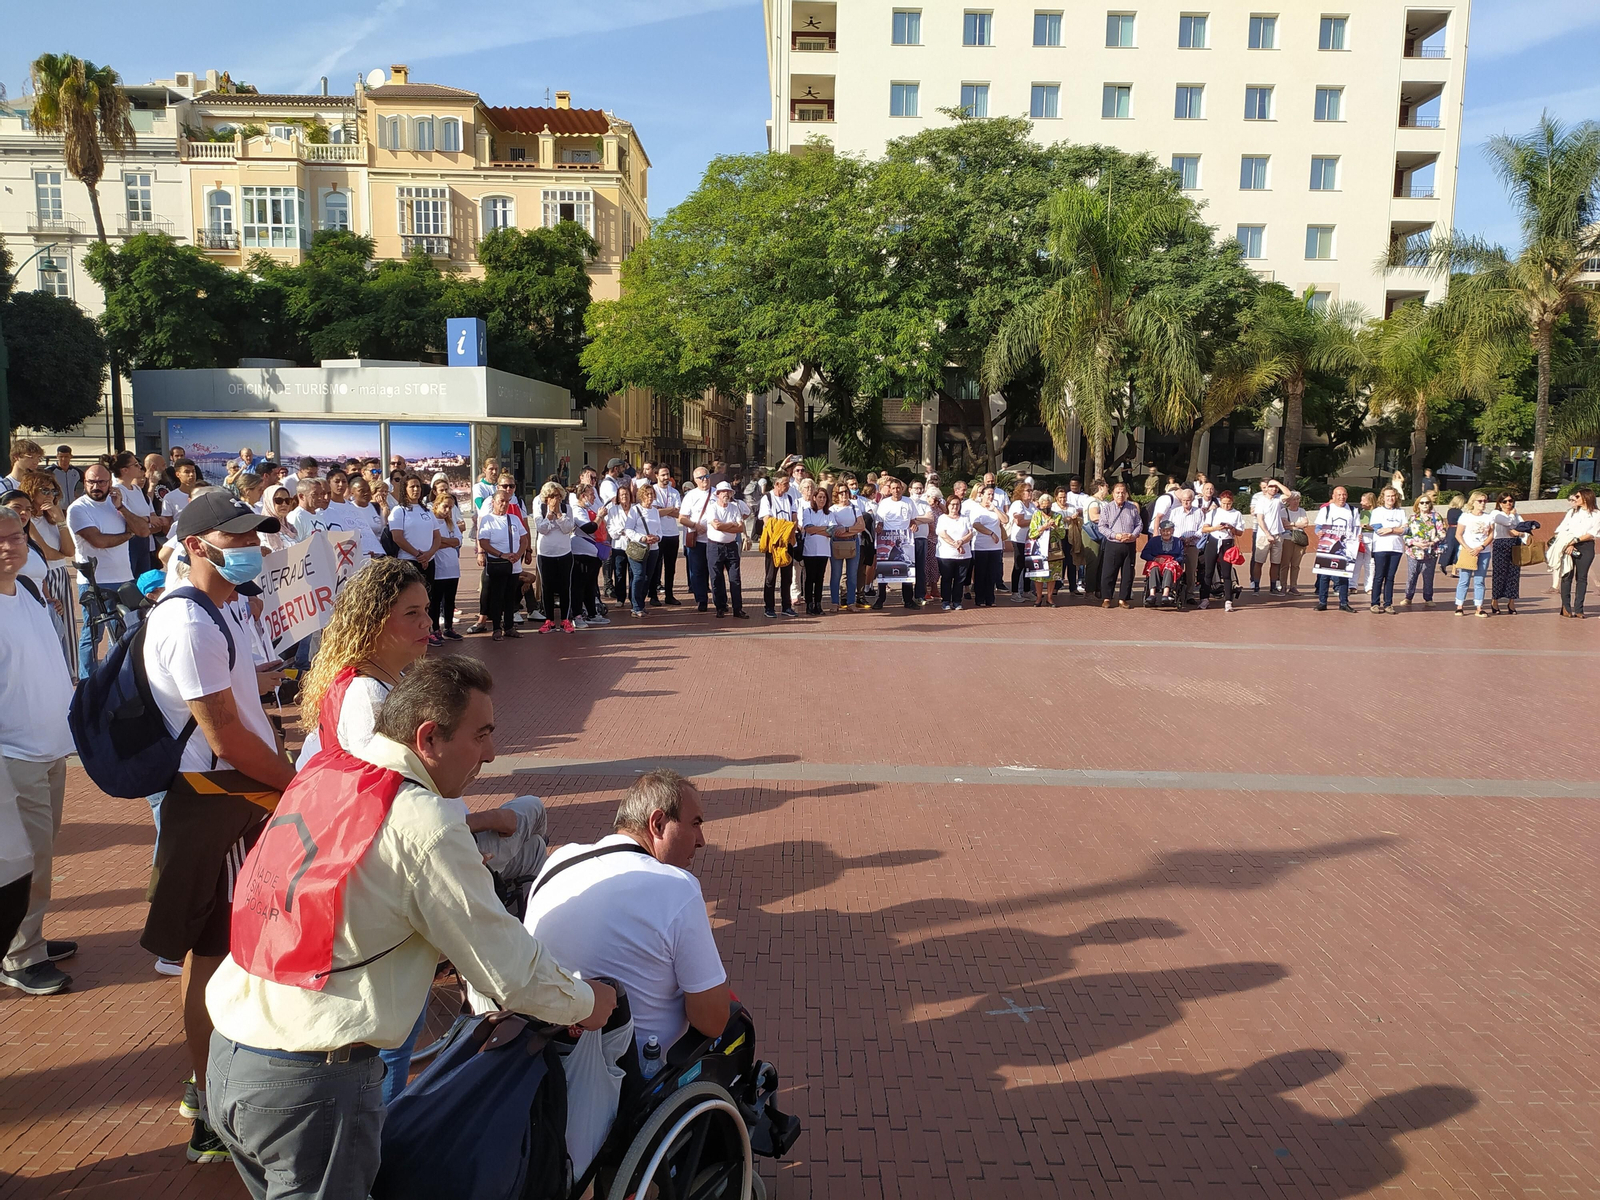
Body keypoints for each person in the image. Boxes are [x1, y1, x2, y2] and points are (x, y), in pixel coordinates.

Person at [207, 656, 614, 1197]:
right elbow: (512, 972)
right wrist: (588, 1002)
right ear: (428, 738)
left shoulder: (326, 774)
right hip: (314, 1087)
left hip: (232, 1056)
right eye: (482, 734)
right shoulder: (424, 821)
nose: (492, 753)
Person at [138, 491, 294, 1163]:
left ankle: (205, 1092)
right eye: (237, 539)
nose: (251, 548)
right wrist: (297, 784)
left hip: (228, 798)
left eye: (253, 536)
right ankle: (209, 1104)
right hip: (219, 801)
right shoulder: (189, 621)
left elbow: (226, 707)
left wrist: (260, 679)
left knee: (213, 954)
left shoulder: (213, 612)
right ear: (197, 545)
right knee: (217, 959)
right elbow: (224, 736)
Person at [524, 768, 728, 1062]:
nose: (701, 840)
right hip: (629, 1078)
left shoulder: (559, 861)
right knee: (735, 1022)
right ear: (657, 823)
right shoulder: (677, 888)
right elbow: (712, 1020)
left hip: (544, 1061)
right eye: (695, 824)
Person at [0, 506, 78, 998]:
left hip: (50, 749)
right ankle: (19, 957)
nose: (12, 546)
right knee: (27, 860)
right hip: (14, 754)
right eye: (0, 540)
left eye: (17, 536)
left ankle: (31, 938)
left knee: (43, 855)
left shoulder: (26, 591)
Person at [67, 462, 143, 679]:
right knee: (93, 633)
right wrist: (128, 536)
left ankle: (116, 676)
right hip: (94, 581)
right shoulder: (78, 509)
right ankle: (87, 680)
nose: (96, 486)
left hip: (124, 578)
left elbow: (143, 530)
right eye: (91, 481)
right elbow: (98, 541)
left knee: (123, 630)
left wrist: (121, 508)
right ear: (84, 482)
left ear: (110, 483)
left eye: (101, 481)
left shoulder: (116, 504)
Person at [15, 471, 78, 666]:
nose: (50, 496)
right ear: (32, 491)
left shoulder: (53, 518)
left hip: (60, 574)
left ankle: (70, 672)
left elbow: (69, 549)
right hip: (42, 576)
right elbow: (44, 553)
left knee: (66, 627)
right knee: (49, 627)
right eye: (44, 491)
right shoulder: (28, 522)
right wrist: (59, 554)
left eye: (53, 491)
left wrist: (60, 519)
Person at [477, 489, 528, 640]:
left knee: (510, 596)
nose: (504, 504)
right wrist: (501, 554)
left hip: (514, 565)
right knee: (497, 596)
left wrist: (518, 554)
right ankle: (496, 628)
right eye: (501, 501)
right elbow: (483, 542)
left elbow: (524, 539)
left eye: (507, 501)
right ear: (493, 503)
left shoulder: (514, 519)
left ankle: (509, 626)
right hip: (498, 564)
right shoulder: (488, 519)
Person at [873, 477, 921, 609]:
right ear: (890, 489)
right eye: (893, 488)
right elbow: (880, 522)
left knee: (907, 570)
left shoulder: (908, 502)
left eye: (898, 488)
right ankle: (880, 600)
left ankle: (908, 600)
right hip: (887, 538)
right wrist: (878, 529)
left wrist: (913, 525)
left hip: (905, 539)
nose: (896, 490)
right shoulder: (884, 503)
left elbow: (913, 520)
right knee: (884, 569)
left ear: (902, 489)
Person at [704, 481, 749, 619]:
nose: (725, 494)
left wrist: (727, 526)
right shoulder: (712, 508)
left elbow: (740, 528)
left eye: (727, 491)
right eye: (722, 492)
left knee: (735, 578)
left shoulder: (734, 507)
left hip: (731, 546)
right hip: (714, 546)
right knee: (716, 578)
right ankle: (720, 607)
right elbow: (716, 526)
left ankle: (737, 608)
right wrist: (731, 525)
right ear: (717, 494)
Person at [757, 473, 800, 618]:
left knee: (787, 576)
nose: (788, 486)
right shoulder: (767, 499)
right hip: (773, 543)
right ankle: (769, 607)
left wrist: (790, 528)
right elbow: (767, 521)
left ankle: (786, 606)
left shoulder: (789, 498)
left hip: (787, 542)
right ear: (777, 484)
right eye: (785, 483)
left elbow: (794, 519)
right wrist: (785, 527)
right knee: (771, 577)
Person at [427, 478, 465, 641]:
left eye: (450, 507)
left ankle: (449, 627)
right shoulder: (432, 521)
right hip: (439, 568)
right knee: (436, 601)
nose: (448, 510)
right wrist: (444, 542)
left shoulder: (450, 523)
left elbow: (459, 540)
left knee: (450, 600)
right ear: (436, 505)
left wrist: (443, 541)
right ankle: (435, 628)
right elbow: (433, 542)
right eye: (445, 506)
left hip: (452, 567)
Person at [567, 480, 608, 627]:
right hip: (581, 552)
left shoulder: (587, 509)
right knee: (579, 585)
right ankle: (577, 615)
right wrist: (600, 516)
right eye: (591, 495)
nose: (594, 498)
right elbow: (589, 528)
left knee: (591, 584)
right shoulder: (577, 510)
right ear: (583, 496)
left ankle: (592, 613)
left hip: (593, 553)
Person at [1313, 487, 1361, 612]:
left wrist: (1358, 536)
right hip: (1328, 546)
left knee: (1344, 576)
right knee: (1324, 576)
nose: (1342, 497)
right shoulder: (1326, 509)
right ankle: (1322, 602)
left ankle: (1344, 603)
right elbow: (1318, 527)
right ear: (1333, 496)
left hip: (1346, 547)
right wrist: (1319, 532)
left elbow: (1356, 528)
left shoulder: (1353, 510)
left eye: (1344, 494)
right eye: (1339, 495)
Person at [1554, 486, 1598, 618]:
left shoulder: (1596, 514)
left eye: (1577, 497)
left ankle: (1579, 609)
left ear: (1586, 498)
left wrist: (1575, 541)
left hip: (1585, 545)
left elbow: (1592, 533)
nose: (1575, 499)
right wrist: (1568, 542)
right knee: (1567, 575)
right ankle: (1566, 607)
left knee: (1582, 577)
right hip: (1568, 545)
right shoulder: (1572, 512)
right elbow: (1561, 529)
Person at [1096, 482, 1142, 609]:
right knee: (1109, 573)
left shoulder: (1132, 508)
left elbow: (1139, 524)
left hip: (1129, 545)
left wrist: (1133, 535)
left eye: (1123, 492)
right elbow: (1101, 526)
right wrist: (1114, 535)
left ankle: (1123, 598)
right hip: (1113, 544)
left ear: (1126, 494)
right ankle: (1106, 598)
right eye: (1118, 492)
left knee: (1128, 573)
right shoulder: (1107, 508)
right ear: (1113, 494)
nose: (1120, 495)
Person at [621, 481, 662, 620]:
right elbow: (628, 529)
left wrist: (657, 537)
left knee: (647, 577)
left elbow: (659, 530)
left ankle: (641, 604)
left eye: (652, 494)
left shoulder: (655, 511)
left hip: (653, 549)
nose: (650, 497)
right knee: (638, 575)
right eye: (648, 494)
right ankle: (636, 607)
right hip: (638, 548)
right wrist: (642, 538)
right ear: (642, 496)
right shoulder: (635, 510)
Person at [1200, 490, 1245, 612]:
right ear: (1220, 502)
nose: (1226, 506)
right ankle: (1204, 598)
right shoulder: (1214, 512)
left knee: (1226, 573)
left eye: (1229, 503)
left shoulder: (1236, 514)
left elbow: (1240, 532)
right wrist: (1216, 528)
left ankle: (1228, 600)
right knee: (1208, 571)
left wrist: (1231, 528)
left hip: (1227, 543)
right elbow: (1204, 529)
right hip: (1213, 541)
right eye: (1224, 503)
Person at [678, 466, 714, 612]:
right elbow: (682, 518)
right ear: (695, 480)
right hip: (697, 540)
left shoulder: (717, 493)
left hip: (714, 540)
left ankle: (719, 599)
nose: (705, 480)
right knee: (697, 570)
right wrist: (695, 526)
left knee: (713, 570)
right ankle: (701, 599)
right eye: (701, 478)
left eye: (706, 476)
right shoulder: (691, 496)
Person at [1402, 493, 1447, 607]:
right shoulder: (1413, 518)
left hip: (1430, 552)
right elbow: (1406, 535)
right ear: (1418, 505)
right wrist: (1415, 543)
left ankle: (1428, 598)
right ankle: (1408, 597)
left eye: (1427, 502)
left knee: (1428, 575)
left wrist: (1432, 542)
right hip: (1414, 551)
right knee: (1412, 575)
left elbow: (1442, 533)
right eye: (1422, 503)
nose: (1425, 505)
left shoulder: (1436, 517)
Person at [1453, 491, 1495, 617]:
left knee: (1479, 580)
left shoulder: (1488, 517)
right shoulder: (1465, 516)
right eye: (1480, 501)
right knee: (1464, 579)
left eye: (1485, 501)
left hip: (1483, 552)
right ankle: (1459, 606)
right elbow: (1458, 534)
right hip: (1467, 551)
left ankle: (1479, 607)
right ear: (1473, 502)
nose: (1483, 503)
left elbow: (1491, 534)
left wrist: (1481, 547)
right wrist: (1467, 548)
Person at [1367, 487, 1408, 614]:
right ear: (1383, 497)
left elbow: (1406, 529)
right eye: (1388, 496)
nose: (1390, 498)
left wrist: (1390, 529)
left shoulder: (1401, 512)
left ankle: (1388, 603)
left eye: (1393, 496)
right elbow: (1379, 530)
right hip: (1381, 548)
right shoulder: (1377, 512)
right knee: (1379, 576)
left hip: (1396, 548)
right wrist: (1397, 529)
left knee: (1390, 577)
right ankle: (1375, 603)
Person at [1489, 491, 1528, 616]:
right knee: (1499, 573)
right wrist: (1511, 516)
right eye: (1504, 501)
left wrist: (1519, 533)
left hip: (1514, 544)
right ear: (1499, 503)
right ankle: (1495, 600)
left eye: (1510, 501)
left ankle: (1511, 602)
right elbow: (1507, 522)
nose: (1508, 503)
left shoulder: (1517, 515)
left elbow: (1524, 528)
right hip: (1500, 543)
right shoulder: (1496, 513)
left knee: (1514, 574)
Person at [798, 481, 834, 614]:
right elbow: (808, 528)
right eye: (820, 497)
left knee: (820, 578)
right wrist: (822, 529)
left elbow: (831, 531)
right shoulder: (807, 511)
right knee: (810, 578)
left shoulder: (829, 514)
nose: (822, 500)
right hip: (810, 550)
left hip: (824, 550)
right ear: (814, 498)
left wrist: (817, 530)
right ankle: (809, 604)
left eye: (824, 497)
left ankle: (818, 604)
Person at [649, 465, 683, 605]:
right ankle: (653, 596)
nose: (665, 478)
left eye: (667, 474)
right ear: (656, 475)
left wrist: (664, 510)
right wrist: (670, 510)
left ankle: (669, 595)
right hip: (658, 533)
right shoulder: (653, 491)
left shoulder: (674, 492)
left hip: (673, 534)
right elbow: (654, 511)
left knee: (670, 567)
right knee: (655, 566)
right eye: (663, 475)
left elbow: (678, 513)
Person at [827, 483, 863, 610]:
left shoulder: (855, 507)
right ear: (836, 494)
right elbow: (833, 530)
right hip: (837, 543)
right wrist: (851, 529)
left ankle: (851, 602)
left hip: (853, 542)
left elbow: (861, 526)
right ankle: (834, 602)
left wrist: (847, 529)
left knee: (852, 574)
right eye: (841, 492)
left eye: (846, 492)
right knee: (836, 574)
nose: (844, 495)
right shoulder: (832, 509)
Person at [968, 486, 1006, 607]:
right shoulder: (976, 508)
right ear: (982, 495)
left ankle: (990, 598)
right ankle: (980, 598)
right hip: (981, 546)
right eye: (988, 494)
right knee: (981, 573)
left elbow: (1005, 520)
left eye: (992, 494)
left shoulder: (996, 508)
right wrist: (991, 533)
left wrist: (995, 509)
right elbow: (976, 524)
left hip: (995, 547)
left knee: (992, 573)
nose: (990, 497)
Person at [1250, 478, 1289, 596]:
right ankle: (1256, 587)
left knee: (1275, 563)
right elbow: (1260, 519)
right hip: (1263, 536)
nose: (1274, 489)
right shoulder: (1261, 501)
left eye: (1275, 487)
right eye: (1271, 487)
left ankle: (1273, 587)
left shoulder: (1278, 500)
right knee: (1259, 562)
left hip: (1277, 534)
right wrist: (1267, 533)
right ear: (1266, 488)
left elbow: (1288, 494)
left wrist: (1277, 483)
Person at [935, 495, 974, 612]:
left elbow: (971, 533)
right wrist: (955, 544)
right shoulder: (943, 518)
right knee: (946, 578)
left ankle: (957, 601)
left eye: (957, 504)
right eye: (952, 504)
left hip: (964, 555)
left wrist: (961, 541)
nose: (955, 507)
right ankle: (946, 601)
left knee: (960, 579)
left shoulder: (965, 518)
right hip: (946, 554)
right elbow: (942, 533)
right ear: (948, 505)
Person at [1166, 489, 1205, 606]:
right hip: (1177, 545)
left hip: (1192, 545)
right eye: (1183, 501)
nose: (1186, 503)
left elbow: (1202, 529)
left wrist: (1192, 538)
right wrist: (1177, 538)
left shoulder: (1199, 512)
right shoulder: (1175, 512)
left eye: (1188, 500)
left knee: (1191, 571)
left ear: (1192, 500)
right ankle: (1173, 592)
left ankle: (1190, 595)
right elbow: (1170, 527)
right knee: (1175, 568)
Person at [1027, 495, 1064, 607]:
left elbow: (1062, 534)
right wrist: (1043, 527)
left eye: (1048, 506)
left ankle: (1049, 597)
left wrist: (1055, 527)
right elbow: (1032, 533)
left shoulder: (1057, 516)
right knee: (1038, 574)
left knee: (1052, 574)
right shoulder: (1036, 516)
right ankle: (1038, 597)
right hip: (1039, 549)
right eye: (1044, 507)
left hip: (1053, 549)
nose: (1046, 509)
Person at [1141, 521, 1186, 607]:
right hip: (1157, 561)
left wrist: (1173, 560)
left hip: (1171, 562)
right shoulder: (1154, 541)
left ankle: (1165, 594)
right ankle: (1152, 594)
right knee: (1153, 566)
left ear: (1172, 531)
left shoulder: (1178, 541)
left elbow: (1182, 556)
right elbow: (1144, 554)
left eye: (1168, 530)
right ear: (1160, 531)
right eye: (1164, 531)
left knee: (1170, 566)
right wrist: (1155, 559)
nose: (1166, 533)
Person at [1282, 491, 1311, 596]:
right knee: (1285, 564)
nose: (1296, 502)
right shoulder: (1283, 511)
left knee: (1296, 565)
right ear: (1288, 501)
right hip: (1287, 539)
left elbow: (1306, 524)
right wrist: (1298, 524)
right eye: (1294, 499)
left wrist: (1292, 524)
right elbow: (1284, 525)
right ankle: (1283, 585)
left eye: (1298, 499)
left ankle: (1293, 586)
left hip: (1299, 539)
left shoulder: (1302, 511)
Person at [1439, 492, 1467, 577]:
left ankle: (1444, 564)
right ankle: (1454, 570)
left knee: (1450, 548)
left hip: (1450, 530)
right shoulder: (1459, 512)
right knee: (1457, 550)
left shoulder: (1450, 511)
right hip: (1457, 530)